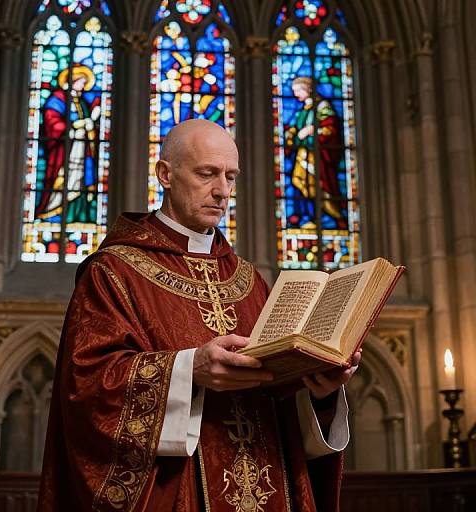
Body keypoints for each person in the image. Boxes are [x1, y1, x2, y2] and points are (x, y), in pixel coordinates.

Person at [37, 119, 360, 511]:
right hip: (177, 493)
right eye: (207, 173)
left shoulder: (249, 280)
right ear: (165, 175)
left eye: (230, 177)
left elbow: (278, 394)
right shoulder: (113, 271)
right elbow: (86, 389)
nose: (222, 191)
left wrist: (319, 390)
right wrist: (189, 370)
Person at [36, 64, 100, 224]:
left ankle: (76, 214)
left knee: (79, 181)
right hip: (63, 151)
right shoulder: (58, 99)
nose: (83, 86)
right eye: (81, 82)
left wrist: (91, 122)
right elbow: (52, 122)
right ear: (72, 81)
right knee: (63, 180)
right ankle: (53, 211)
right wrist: (73, 127)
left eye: (85, 83)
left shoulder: (82, 102)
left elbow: (89, 125)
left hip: (81, 150)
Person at [285, 77, 347, 230]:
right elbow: (296, 128)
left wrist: (312, 130)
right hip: (303, 153)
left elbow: (330, 128)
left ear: (308, 89)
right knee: (299, 181)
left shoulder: (322, 106)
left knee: (319, 186)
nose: (296, 94)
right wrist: (292, 135)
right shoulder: (304, 109)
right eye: (294, 92)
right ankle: (307, 217)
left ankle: (333, 218)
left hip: (317, 156)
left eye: (298, 91)